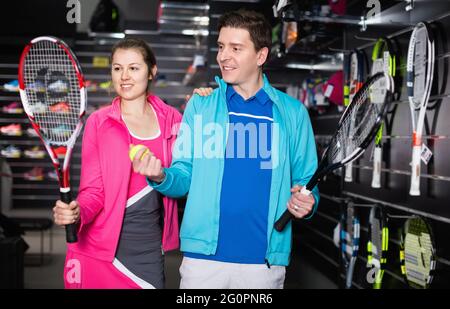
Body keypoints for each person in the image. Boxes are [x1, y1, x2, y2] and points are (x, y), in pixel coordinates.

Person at [133, 10, 320, 289]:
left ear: (260, 56)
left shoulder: (293, 113)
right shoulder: (201, 105)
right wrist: (161, 176)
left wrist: (308, 201)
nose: (223, 56)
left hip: (264, 263)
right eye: (221, 47)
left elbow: (307, 181)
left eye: (236, 48)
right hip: (203, 262)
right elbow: (183, 175)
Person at [52, 38, 206, 289]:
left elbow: (184, 179)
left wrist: (204, 101)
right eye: (117, 68)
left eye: (134, 68)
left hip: (147, 250)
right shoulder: (98, 123)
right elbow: (94, 191)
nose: (124, 76)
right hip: (97, 249)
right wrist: (78, 211)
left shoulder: (173, 120)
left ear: (151, 71)